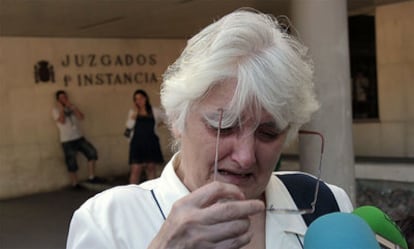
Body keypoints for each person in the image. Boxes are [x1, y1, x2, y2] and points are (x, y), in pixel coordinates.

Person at [67, 9, 353, 248]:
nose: (245, 157)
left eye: (268, 133)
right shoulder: (108, 223)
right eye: (223, 126)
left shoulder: (326, 204)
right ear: (177, 119)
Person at [52, 90, 105, 189]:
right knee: (71, 161)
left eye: (65, 97)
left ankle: (91, 177)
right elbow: (62, 121)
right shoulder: (55, 110)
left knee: (92, 153)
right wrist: (62, 109)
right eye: (61, 98)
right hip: (67, 140)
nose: (64, 99)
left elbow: (81, 117)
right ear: (58, 100)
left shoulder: (72, 107)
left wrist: (73, 107)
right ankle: (75, 183)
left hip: (79, 137)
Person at [124, 89, 165, 184]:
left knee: (151, 169)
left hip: (151, 142)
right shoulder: (133, 112)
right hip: (137, 144)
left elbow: (166, 118)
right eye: (136, 99)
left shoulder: (154, 111)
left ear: (145, 98)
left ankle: (151, 193)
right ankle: (132, 195)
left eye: (141, 98)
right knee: (135, 170)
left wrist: (158, 125)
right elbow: (128, 128)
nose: (139, 101)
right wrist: (133, 117)